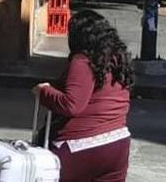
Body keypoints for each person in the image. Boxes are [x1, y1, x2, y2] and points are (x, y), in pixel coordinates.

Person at [34, 10, 133, 182]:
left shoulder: (82, 61)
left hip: (81, 146)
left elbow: (72, 104)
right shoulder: (118, 59)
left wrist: (43, 91)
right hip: (118, 143)